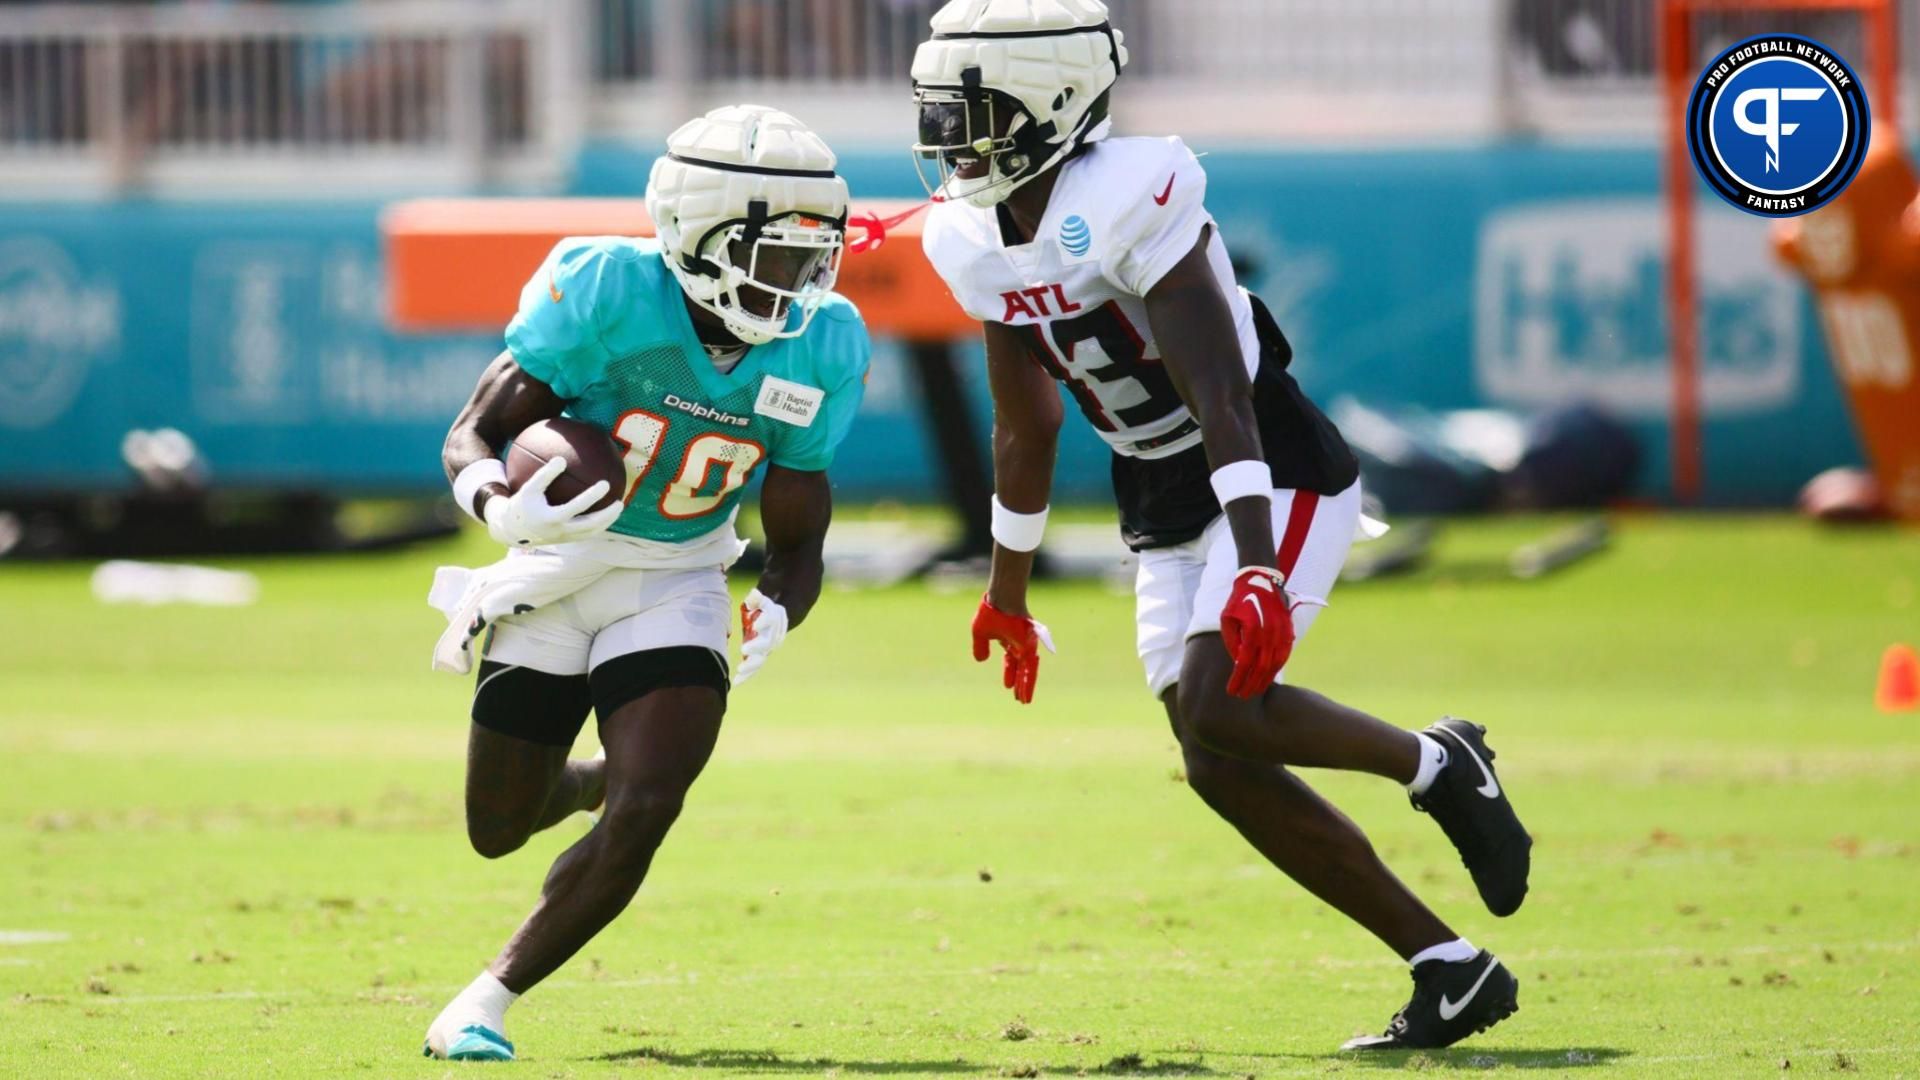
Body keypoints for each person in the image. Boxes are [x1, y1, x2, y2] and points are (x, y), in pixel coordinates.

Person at [910, 0, 1531, 1051]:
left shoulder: (1130, 196)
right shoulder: (976, 235)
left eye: (970, 110)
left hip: (1265, 469)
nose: (948, 137)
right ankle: (1448, 967)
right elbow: (1025, 428)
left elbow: (1223, 396)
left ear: (1050, 103)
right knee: (1212, 755)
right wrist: (1005, 592)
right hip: (1157, 490)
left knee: (1223, 707)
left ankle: (1438, 765)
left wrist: (1255, 566)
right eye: (939, 110)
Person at [422, 104, 869, 1061]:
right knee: (498, 826)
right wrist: (501, 508)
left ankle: (484, 1002)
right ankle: (585, 780)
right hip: (557, 565)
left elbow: (799, 539)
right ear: (697, 238)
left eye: (812, 256)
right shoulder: (604, 289)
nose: (804, 281)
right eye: (779, 255)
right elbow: (472, 434)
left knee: (651, 804)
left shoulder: (823, 343)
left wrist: (780, 609)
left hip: (678, 575)